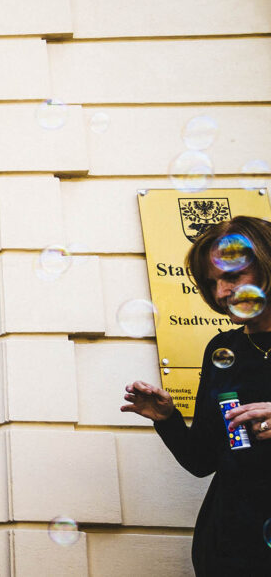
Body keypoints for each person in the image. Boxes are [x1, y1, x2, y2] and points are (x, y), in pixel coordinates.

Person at [121, 215, 271, 574]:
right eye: (213, 282)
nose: (221, 293)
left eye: (232, 276)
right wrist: (167, 420)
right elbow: (202, 462)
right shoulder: (223, 348)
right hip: (231, 545)